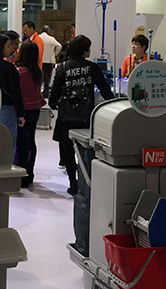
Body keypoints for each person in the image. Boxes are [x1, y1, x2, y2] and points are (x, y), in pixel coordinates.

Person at [50, 35, 114, 195]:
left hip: (66, 117)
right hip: (86, 117)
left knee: (68, 151)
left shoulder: (63, 68)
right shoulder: (92, 68)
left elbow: (53, 97)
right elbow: (105, 91)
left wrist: (56, 105)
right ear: (85, 50)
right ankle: (86, 183)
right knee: (86, 151)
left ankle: (73, 183)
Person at [15, 41, 46, 188]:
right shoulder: (38, 72)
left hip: (21, 111)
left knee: (20, 142)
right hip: (35, 109)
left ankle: (20, 173)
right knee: (31, 141)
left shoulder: (18, 72)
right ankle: (30, 173)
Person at [39, 25, 63, 98]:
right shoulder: (51, 39)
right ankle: (46, 93)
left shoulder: (38, 38)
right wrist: (54, 54)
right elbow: (59, 46)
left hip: (39, 60)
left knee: (39, 78)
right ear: (48, 31)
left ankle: (38, 93)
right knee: (47, 78)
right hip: (49, 60)